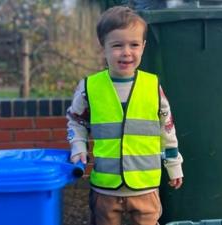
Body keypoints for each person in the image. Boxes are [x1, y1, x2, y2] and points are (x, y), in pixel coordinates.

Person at [66, 6, 183, 225]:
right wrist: (78, 147)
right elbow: (76, 119)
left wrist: (174, 164)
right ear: (103, 48)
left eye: (134, 45)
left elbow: (166, 127)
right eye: (117, 45)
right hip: (105, 188)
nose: (126, 52)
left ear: (144, 47)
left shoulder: (152, 86)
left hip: (145, 186)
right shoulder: (89, 87)